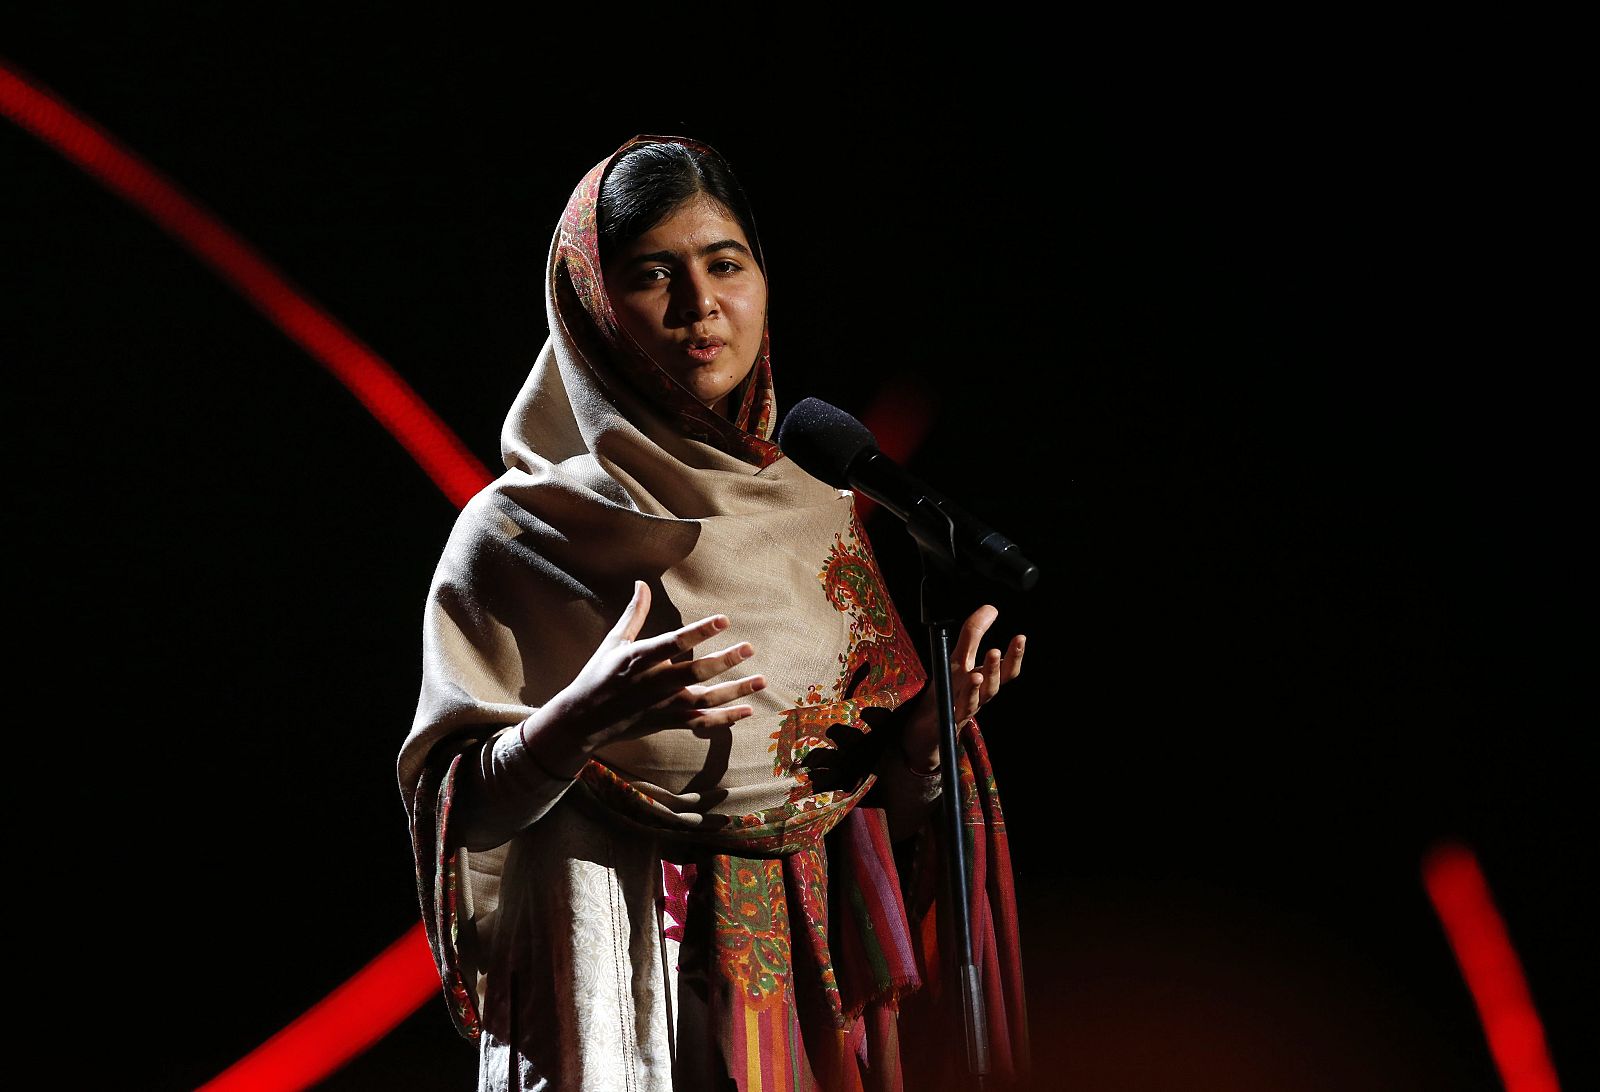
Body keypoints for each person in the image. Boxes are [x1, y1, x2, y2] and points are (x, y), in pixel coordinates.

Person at [398, 134, 1030, 1091]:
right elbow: (460, 812)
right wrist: (574, 724)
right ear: (593, 310)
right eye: (653, 274)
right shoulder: (520, 533)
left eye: (724, 264)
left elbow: (857, 803)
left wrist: (922, 750)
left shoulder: (817, 508)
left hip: (813, 996)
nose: (701, 307)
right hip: (623, 989)